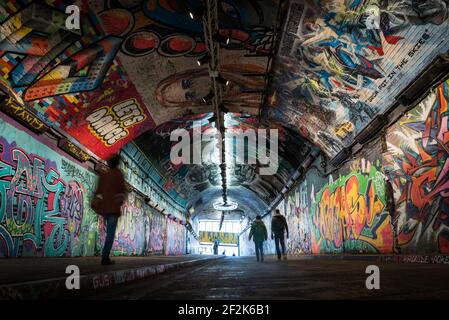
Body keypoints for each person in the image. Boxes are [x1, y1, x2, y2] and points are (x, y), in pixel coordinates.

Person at [92, 154, 127, 265]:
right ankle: (105, 257)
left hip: (104, 208)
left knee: (107, 232)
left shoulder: (104, 174)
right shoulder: (118, 174)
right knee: (110, 234)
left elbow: (98, 191)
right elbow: (122, 191)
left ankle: (104, 255)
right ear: (117, 163)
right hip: (113, 208)